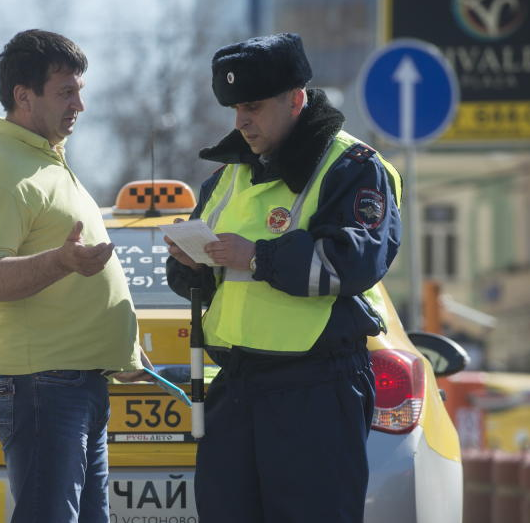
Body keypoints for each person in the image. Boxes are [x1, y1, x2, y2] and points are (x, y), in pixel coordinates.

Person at [165, 33, 402, 522]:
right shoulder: (226, 176)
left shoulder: (353, 168)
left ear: (296, 100)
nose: (241, 121)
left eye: (252, 106)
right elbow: (214, 284)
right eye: (234, 109)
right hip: (237, 385)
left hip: (316, 386)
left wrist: (257, 258)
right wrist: (189, 266)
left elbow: (354, 261)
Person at [0, 29, 151, 523]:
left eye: (79, 91)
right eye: (66, 92)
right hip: (40, 385)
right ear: (24, 96)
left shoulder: (45, 161)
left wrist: (120, 347)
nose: (80, 105)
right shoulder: (0, 170)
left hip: (71, 383)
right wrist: (62, 261)